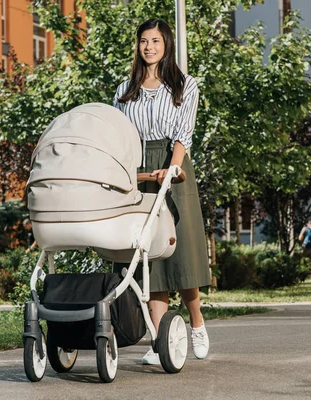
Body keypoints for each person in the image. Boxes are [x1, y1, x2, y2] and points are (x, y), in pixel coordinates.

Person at [113, 18, 212, 365]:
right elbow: (119, 132)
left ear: (166, 44)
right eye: (143, 41)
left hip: (173, 165)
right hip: (137, 169)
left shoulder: (184, 85)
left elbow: (184, 132)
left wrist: (173, 167)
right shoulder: (126, 88)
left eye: (155, 40)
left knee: (179, 252)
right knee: (149, 256)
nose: (149, 46)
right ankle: (160, 342)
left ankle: (197, 323)